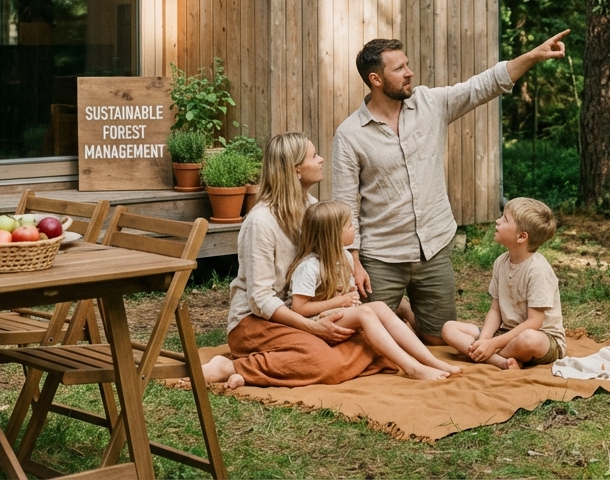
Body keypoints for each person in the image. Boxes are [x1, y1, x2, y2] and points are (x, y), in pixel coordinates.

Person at [330, 30, 570, 345]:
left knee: (437, 339)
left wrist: (533, 55)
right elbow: (345, 206)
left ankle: (405, 314)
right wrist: (354, 262)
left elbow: (483, 85)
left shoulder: (430, 103)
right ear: (375, 79)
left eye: (407, 64)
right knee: (367, 343)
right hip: (382, 257)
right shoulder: (349, 135)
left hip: (434, 247)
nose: (409, 73)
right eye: (399, 68)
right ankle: (397, 310)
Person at [202, 132, 396, 389]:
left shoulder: (311, 207)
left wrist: (349, 271)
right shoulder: (261, 222)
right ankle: (232, 367)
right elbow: (260, 300)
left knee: (378, 333)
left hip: (306, 311)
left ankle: (294, 359)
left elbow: (327, 256)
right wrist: (312, 328)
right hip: (255, 321)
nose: (321, 159)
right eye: (314, 155)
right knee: (326, 362)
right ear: (295, 170)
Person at [285, 200, 461, 380]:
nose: (354, 228)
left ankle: (430, 360)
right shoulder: (309, 267)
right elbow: (299, 309)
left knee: (380, 307)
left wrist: (346, 298)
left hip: (337, 314)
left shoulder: (344, 256)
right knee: (365, 314)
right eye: (349, 225)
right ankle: (412, 367)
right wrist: (341, 301)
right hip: (316, 322)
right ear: (334, 234)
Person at [441, 197, 565, 370]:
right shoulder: (501, 262)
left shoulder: (538, 270)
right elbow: (495, 309)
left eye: (505, 219)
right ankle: (499, 361)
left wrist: (493, 344)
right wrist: (485, 339)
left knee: (528, 339)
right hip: (506, 333)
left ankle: (487, 354)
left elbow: (534, 323)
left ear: (522, 237)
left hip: (542, 338)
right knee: (449, 328)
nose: (497, 221)